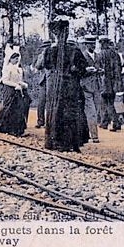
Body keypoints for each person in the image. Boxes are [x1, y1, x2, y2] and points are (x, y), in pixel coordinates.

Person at [43, 21, 87, 152]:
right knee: (70, 112)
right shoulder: (74, 51)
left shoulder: (49, 51)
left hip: (55, 87)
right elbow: (83, 69)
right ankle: (70, 142)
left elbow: (46, 66)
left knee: (56, 111)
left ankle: (55, 141)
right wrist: (75, 70)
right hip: (70, 86)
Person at [96, 36, 123, 131]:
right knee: (108, 102)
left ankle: (116, 123)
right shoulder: (115, 55)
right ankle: (104, 122)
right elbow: (118, 69)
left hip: (104, 82)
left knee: (107, 103)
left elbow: (98, 69)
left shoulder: (100, 55)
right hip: (114, 82)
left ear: (102, 43)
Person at [79, 35, 102, 143]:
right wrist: (86, 70)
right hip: (86, 87)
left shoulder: (98, 56)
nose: (92, 46)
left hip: (97, 86)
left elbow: (101, 68)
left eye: (93, 44)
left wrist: (100, 70)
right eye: (90, 44)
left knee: (96, 111)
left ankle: (86, 133)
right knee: (91, 111)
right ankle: (94, 136)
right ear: (86, 45)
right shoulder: (82, 56)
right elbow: (79, 71)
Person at [33, 40, 51, 129]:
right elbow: (38, 66)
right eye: (45, 47)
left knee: (50, 103)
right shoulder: (41, 56)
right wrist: (43, 56)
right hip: (43, 81)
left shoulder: (54, 55)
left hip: (52, 81)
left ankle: (49, 122)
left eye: (47, 47)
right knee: (41, 102)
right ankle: (40, 121)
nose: (46, 49)